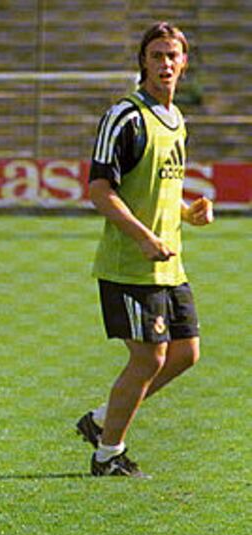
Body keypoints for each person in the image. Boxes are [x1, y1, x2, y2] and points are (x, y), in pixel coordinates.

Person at [76, 22, 214, 478]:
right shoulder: (125, 116)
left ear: (184, 62)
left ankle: (100, 421)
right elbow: (100, 190)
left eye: (173, 56)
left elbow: (155, 192)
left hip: (169, 263)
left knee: (185, 354)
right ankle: (108, 454)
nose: (165, 64)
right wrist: (141, 237)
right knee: (149, 357)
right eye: (156, 56)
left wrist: (185, 214)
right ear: (143, 62)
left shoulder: (176, 122)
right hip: (129, 264)